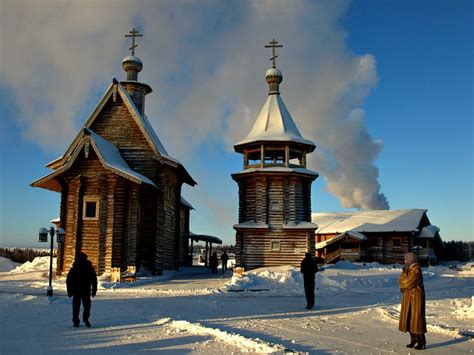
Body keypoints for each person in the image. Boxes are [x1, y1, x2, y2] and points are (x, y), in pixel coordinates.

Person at [398, 252, 427, 350]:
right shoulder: (407, 269)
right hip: (407, 297)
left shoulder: (416, 269)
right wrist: (403, 283)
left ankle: (421, 342)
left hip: (416, 298)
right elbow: (400, 281)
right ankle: (413, 340)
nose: (404, 261)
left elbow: (409, 282)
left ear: (411, 260)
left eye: (406, 259)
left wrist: (404, 284)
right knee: (409, 319)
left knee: (417, 319)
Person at [66, 252, 97, 328]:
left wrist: (69, 290)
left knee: (76, 306)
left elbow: (69, 280)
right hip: (86, 289)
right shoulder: (88, 267)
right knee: (86, 306)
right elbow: (94, 279)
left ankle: (76, 321)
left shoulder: (75, 267)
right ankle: (85, 319)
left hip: (76, 290)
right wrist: (94, 290)